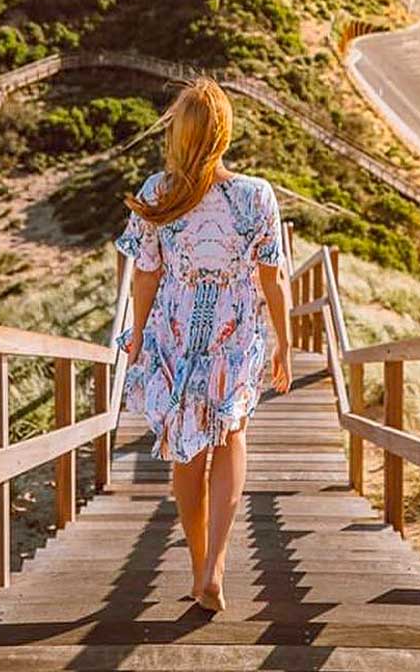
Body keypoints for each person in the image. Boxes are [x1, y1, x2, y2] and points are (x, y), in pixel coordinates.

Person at [115, 76, 293, 613]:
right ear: (223, 134)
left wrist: (140, 333)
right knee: (231, 437)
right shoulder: (254, 195)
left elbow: (144, 275)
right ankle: (215, 564)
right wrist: (285, 342)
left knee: (187, 453)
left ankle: (198, 566)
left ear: (180, 134)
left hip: (173, 332)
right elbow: (273, 277)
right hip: (234, 334)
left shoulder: (156, 194)